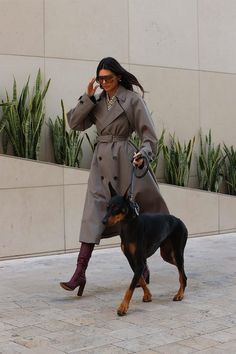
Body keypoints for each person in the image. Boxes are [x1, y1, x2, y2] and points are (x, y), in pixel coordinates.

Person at [60, 57, 169, 296]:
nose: (104, 82)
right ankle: (79, 273)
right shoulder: (96, 101)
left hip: (125, 162)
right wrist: (87, 96)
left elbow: (149, 136)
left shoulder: (132, 100)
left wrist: (144, 154)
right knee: (92, 216)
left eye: (108, 78)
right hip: (100, 166)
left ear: (118, 76)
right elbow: (75, 124)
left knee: (134, 217)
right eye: (100, 79)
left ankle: (141, 266)